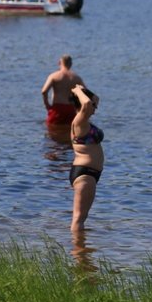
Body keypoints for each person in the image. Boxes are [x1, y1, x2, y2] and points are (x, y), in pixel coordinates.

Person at [68, 84, 104, 231]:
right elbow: (88, 103)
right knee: (79, 218)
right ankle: (78, 252)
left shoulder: (85, 121)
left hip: (90, 174)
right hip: (84, 174)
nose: (95, 108)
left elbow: (95, 99)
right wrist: (77, 91)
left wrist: (83, 89)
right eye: (93, 106)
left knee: (82, 217)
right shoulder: (79, 122)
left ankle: (81, 249)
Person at [41, 55, 84, 126]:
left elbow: (44, 91)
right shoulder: (77, 78)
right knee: (70, 130)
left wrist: (47, 105)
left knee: (51, 130)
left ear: (59, 63)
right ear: (71, 64)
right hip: (71, 109)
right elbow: (86, 94)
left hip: (57, 108)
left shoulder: (54, 76)